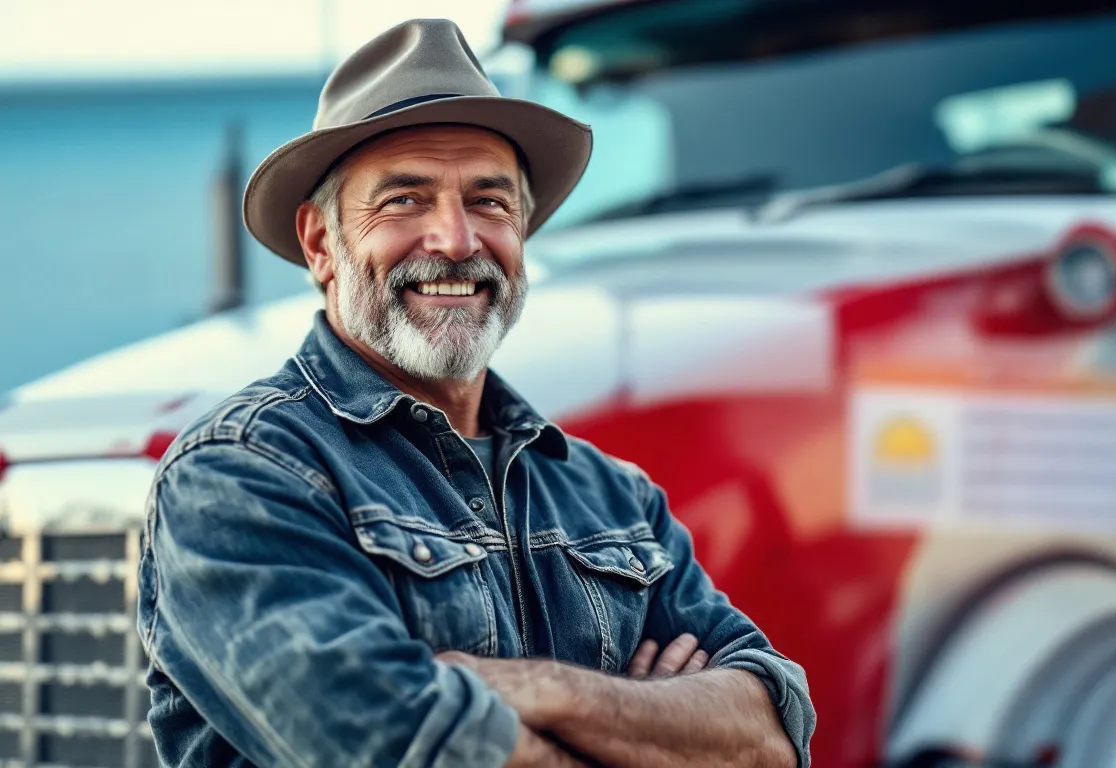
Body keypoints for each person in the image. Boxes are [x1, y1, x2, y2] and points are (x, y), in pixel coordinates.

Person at [137, 17, 814, 768]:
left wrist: (552, 694)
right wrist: (651, 722)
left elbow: (770, 739)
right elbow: (402, 748)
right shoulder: (242, 475)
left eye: (489, 202)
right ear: (322, 244)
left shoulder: (612, 496)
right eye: (404, 201)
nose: (456, 240)